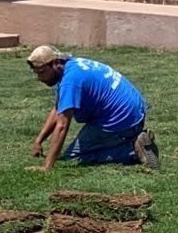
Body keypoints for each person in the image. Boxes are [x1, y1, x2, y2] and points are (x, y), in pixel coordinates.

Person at [26, 46, 159, 172]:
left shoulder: (70, 80)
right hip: (133, 111)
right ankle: (134, 139)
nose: (40, 78)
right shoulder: (71, 66)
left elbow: (62, 126)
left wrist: (47, 167)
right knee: (80, 150)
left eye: (42, 72)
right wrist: (39, 141)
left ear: (55, 63)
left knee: (73, 158)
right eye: (37, 73)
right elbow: (58, 109)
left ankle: (132, 150)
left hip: (121, 118)